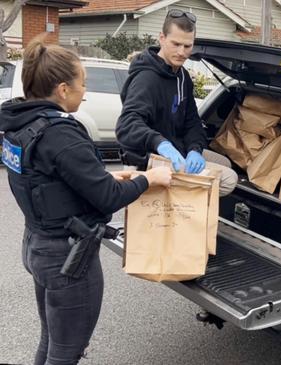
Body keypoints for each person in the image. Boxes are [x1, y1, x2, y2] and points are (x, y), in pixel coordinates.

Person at [0, 35, 172, 364]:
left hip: (38, 243)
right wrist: (149, 178)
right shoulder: (61, 132)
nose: (86, 91)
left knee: (51, 341)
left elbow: (51, 179)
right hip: (67, 258)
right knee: (66, 353)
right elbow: (107, 199)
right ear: (63, 89)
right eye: (83, 83)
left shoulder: (23, 123)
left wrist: (108, 175)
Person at [116, 8, 237, 196]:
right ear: (161, 38)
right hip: (150, 157)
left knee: (225, 163)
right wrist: (160, 144)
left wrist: (195, 149)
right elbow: (127, 125)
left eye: (187, 46)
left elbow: (192, 121)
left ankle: (191, 206)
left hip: (178, 148)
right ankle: (184, 211)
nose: (181, 52)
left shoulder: (182, 77)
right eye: (176, 44)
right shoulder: (146, 78)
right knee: (229, 179)